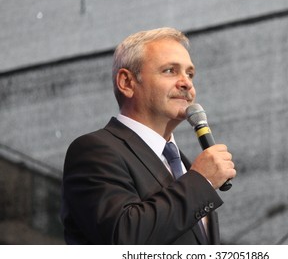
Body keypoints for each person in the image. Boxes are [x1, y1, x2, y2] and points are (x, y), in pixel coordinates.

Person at [61, 27, 236, 245]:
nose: (186, 83)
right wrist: (202, 181)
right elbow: (124, 236)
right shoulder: (94, 151)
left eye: (190, 74)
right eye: (170, 71)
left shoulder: (183, 166)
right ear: (127, 82)